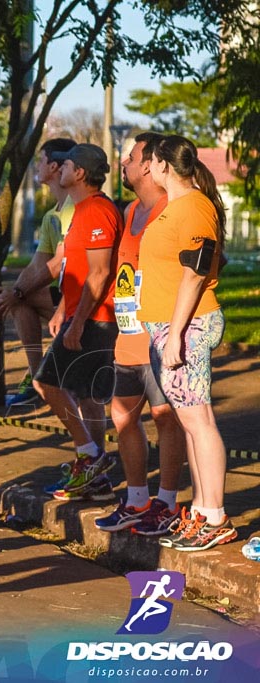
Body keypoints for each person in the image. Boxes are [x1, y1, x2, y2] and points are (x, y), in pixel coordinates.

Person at [139, 134, 236, 551]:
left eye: (149, 160)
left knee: (200, 422)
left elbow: (195, 273)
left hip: (189, 325)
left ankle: (215, 515)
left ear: (162, 164)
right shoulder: (178, 206)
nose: (145, 167)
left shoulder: (195, 206)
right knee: (191, 423)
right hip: (173, 326)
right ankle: (201, 510)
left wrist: (176, 334)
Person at [94, 133, 186, 537]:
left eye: (130, 157)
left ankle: (166, 501)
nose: (124, 163)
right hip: (128, 332)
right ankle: (136, 499)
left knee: (165, 415)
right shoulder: (130, 210)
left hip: (161, 331)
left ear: (149, 165)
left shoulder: (175, 209)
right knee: (122, 415)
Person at [32, 143, 121, 499]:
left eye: (65, 164)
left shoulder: (97, 210)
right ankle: (94, 477)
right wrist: (62, 310)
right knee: (87, 396)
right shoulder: (82, 210)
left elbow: (99, 274)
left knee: (46, 384)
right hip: (80, 315)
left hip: (96, 319)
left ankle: (89, 454)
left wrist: (79, 321)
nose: (59, 169)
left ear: (79, 172)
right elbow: (74, 268)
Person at [0, 138, 77, 406]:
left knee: (20, 297)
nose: (37, 166)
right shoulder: (52, 213)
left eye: (40, 161)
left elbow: (60, 263)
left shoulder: (74, 208)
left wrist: (16, 292)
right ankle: (39, 374)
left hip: (82, 300)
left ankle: (39, 375)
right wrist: (12, 293)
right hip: (64, 297)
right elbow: (38, 264)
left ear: (54, 166)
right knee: (18, 300)